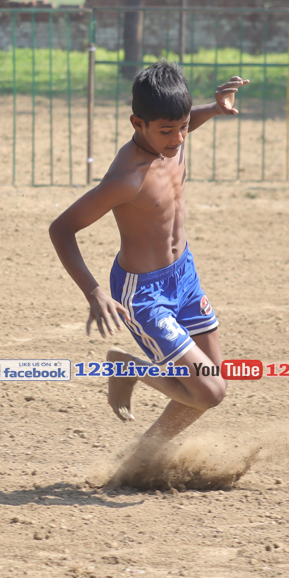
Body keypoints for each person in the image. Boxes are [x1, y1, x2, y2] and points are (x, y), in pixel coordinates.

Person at [49, 61, 248, 480]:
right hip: (144, 294)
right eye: (167, 130)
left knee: (206, 388)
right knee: (210, 390)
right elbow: (61, 229)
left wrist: (213, 109)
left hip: (185, 276)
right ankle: (127, 367)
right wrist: (93, 292)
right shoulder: (127, 178)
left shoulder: (171, 139)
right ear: (137, 123)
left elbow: (180, 124)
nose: (178, 139)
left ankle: (141, 458)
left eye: (183, 127)